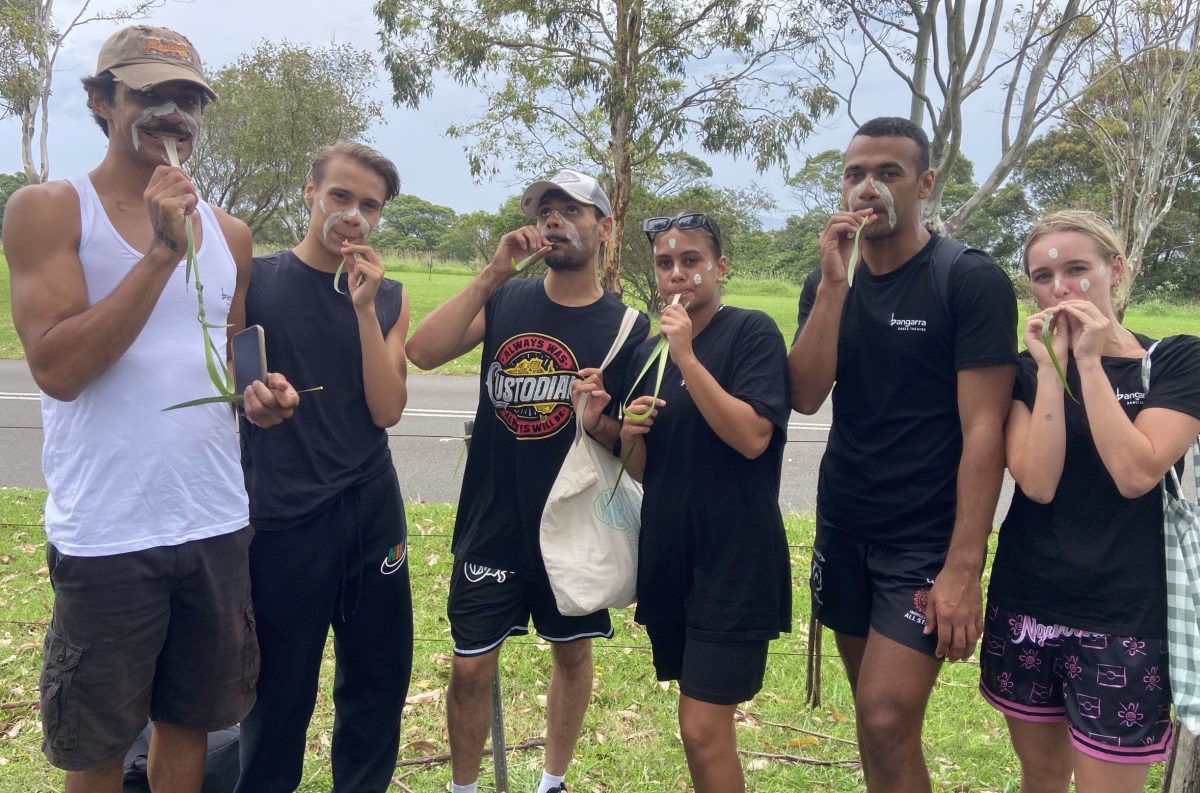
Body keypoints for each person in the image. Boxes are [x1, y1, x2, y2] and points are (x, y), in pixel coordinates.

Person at [2, 25, 297, 793]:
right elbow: (59, 368)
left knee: (191, 723)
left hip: (213, 521)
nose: (174, 113)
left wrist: (260, 397)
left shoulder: (229, 231)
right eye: (149, 94)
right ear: (101, 101)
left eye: (189, 98)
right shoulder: (50, 210)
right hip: (108, 533)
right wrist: (162, 251)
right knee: (95, 744)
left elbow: (230, 361)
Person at [787, 116, 1017, 792]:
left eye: (887, 172)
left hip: (923, 539)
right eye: (855, 173)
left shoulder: (967, 280)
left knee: (886, 718)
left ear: (923, 183)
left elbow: (985, 431)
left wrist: (962, 568)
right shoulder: (826, 281)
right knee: (877, 721)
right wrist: (832, 286)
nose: (868, 187)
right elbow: (803, 394)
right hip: (845, 527)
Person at [406, 169, 650, 793]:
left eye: (573, 209)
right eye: (545, 209)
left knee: (571, 652)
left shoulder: (627, 329)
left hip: (571, 523)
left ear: (605, 226)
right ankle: (463, 788)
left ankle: (551, 781)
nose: (555, 220)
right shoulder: (507, 301)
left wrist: (600, 422)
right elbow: (423, 352)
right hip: (491, 518)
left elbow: (635, 449)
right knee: (469, 667)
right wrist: (493, 273)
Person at [980, 210, 1200, 792]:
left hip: (1128, 617)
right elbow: (1038, 482)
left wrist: (1090, 363)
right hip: (1029, 602)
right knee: (1042, 778)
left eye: (1078, 270)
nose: (1061, 288)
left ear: (1115, 269)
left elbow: (1136, 471)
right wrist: (1053, 372)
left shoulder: (1176, 360)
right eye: (1043, 277)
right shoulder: (1026, 373)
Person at [575, 211, 791, 792]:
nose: (678, 275)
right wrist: (608, 429)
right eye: (666, 264)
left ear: (719, 267)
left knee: (701, 727)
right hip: (672, 554)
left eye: (691, 261)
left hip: (735, 557)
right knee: (695, 724)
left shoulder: (752, 333)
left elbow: (752, 439)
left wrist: (690, 358)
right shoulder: (650, 353)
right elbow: (648, 469)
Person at [233, 142, 412, 793]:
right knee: (280, 690)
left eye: (369, 205)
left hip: (370, 507)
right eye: (341, 196)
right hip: (284, 513)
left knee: (377, 678)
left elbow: (387, 408)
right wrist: (253, 398)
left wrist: (364, 308)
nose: (353, 215)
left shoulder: (389, 297)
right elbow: (234, 378)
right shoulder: (259, 281)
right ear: (310, 193)